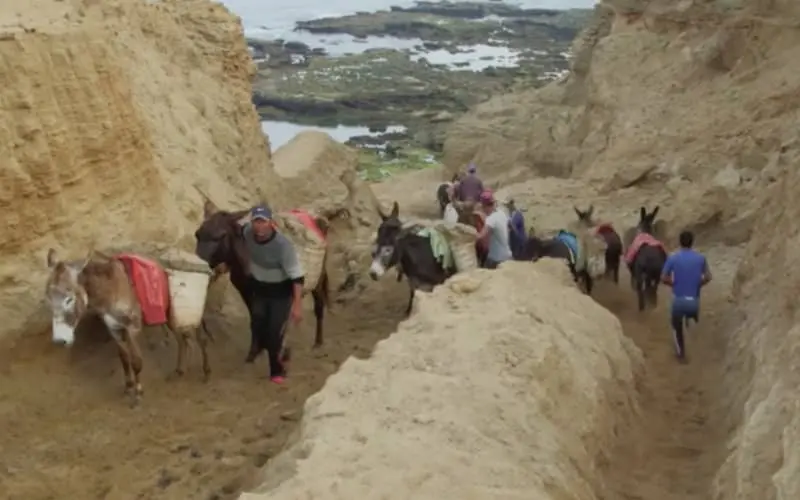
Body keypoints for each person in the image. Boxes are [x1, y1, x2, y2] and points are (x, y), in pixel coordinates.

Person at [243, 205, 305, 383]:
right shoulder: (247, 233)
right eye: (256, 222)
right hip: (260, 289)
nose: (259, 226)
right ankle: (277, 350)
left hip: (280, 292)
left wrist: (297, 306)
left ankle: (276, 371)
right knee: (257, 323)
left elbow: (297, 277)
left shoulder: (283, 246)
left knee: (273, 332)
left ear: (271, 223)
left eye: (263, 222)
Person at [660, 230, 712, 359]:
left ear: (680, 242)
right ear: (692, 242)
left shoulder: (673, 258)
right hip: (694, 301)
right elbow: (708, 277)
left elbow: (663, 278)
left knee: (676, 326)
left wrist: (673, 284)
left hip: (679, 301)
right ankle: (696, 342)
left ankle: (681, 352)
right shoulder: (700, 258)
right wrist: (698, 284)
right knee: (692, 318)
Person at [476, 190, 512, 269]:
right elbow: (509, 226)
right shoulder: (502, 213)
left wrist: (469, 236)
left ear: (485, 206)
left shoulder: (491, 219)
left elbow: (480, 236)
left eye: (482, 207)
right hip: (507, 255)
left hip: (495, 259)